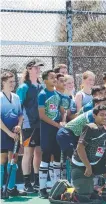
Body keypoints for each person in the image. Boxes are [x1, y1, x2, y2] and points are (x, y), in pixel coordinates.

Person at [71, 105, 106, 201]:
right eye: (101, 115)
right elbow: (80, 148)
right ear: (94, 116)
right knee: (84, 197)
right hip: (80, 164)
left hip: (94, 164)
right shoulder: (89, 128)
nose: (104, 117)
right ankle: (70, 192)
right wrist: (88, 166)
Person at [16, 59, 44, 193]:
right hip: (28, 125)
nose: (38, 70)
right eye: (36, 68)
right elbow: (18, 107)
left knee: (39, 153)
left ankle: (38, 181)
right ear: (29, 69)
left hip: (41, 125)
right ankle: (27, 183)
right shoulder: (23, 87)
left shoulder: (41, 87)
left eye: (39, 68)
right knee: (28, 153)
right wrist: (20, 124)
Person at [38, 70, 64, 198]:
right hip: (47, 130)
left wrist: (63, 121)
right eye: (51, 77)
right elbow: (42, 115)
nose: (54, 79)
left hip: (57, 130)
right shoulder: (42, 94)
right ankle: (42, 188)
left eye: (55, 77)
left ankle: (56, 188)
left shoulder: (58, 94)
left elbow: (62, 111)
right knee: (46, 157)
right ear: (45, 80)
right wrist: (56, 125)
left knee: (58, 158)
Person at [0, 72, 27, 197]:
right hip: (3, 133)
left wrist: (19, 125)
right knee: (2, 160)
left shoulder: (16, 97)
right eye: (10, 81)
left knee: (13, 159)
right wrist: (9, 133)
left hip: (14, 133)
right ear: (3, 82)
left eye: (13, 81)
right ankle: (1, 189)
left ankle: (11, 188)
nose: (12, 84)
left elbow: (20, 114)